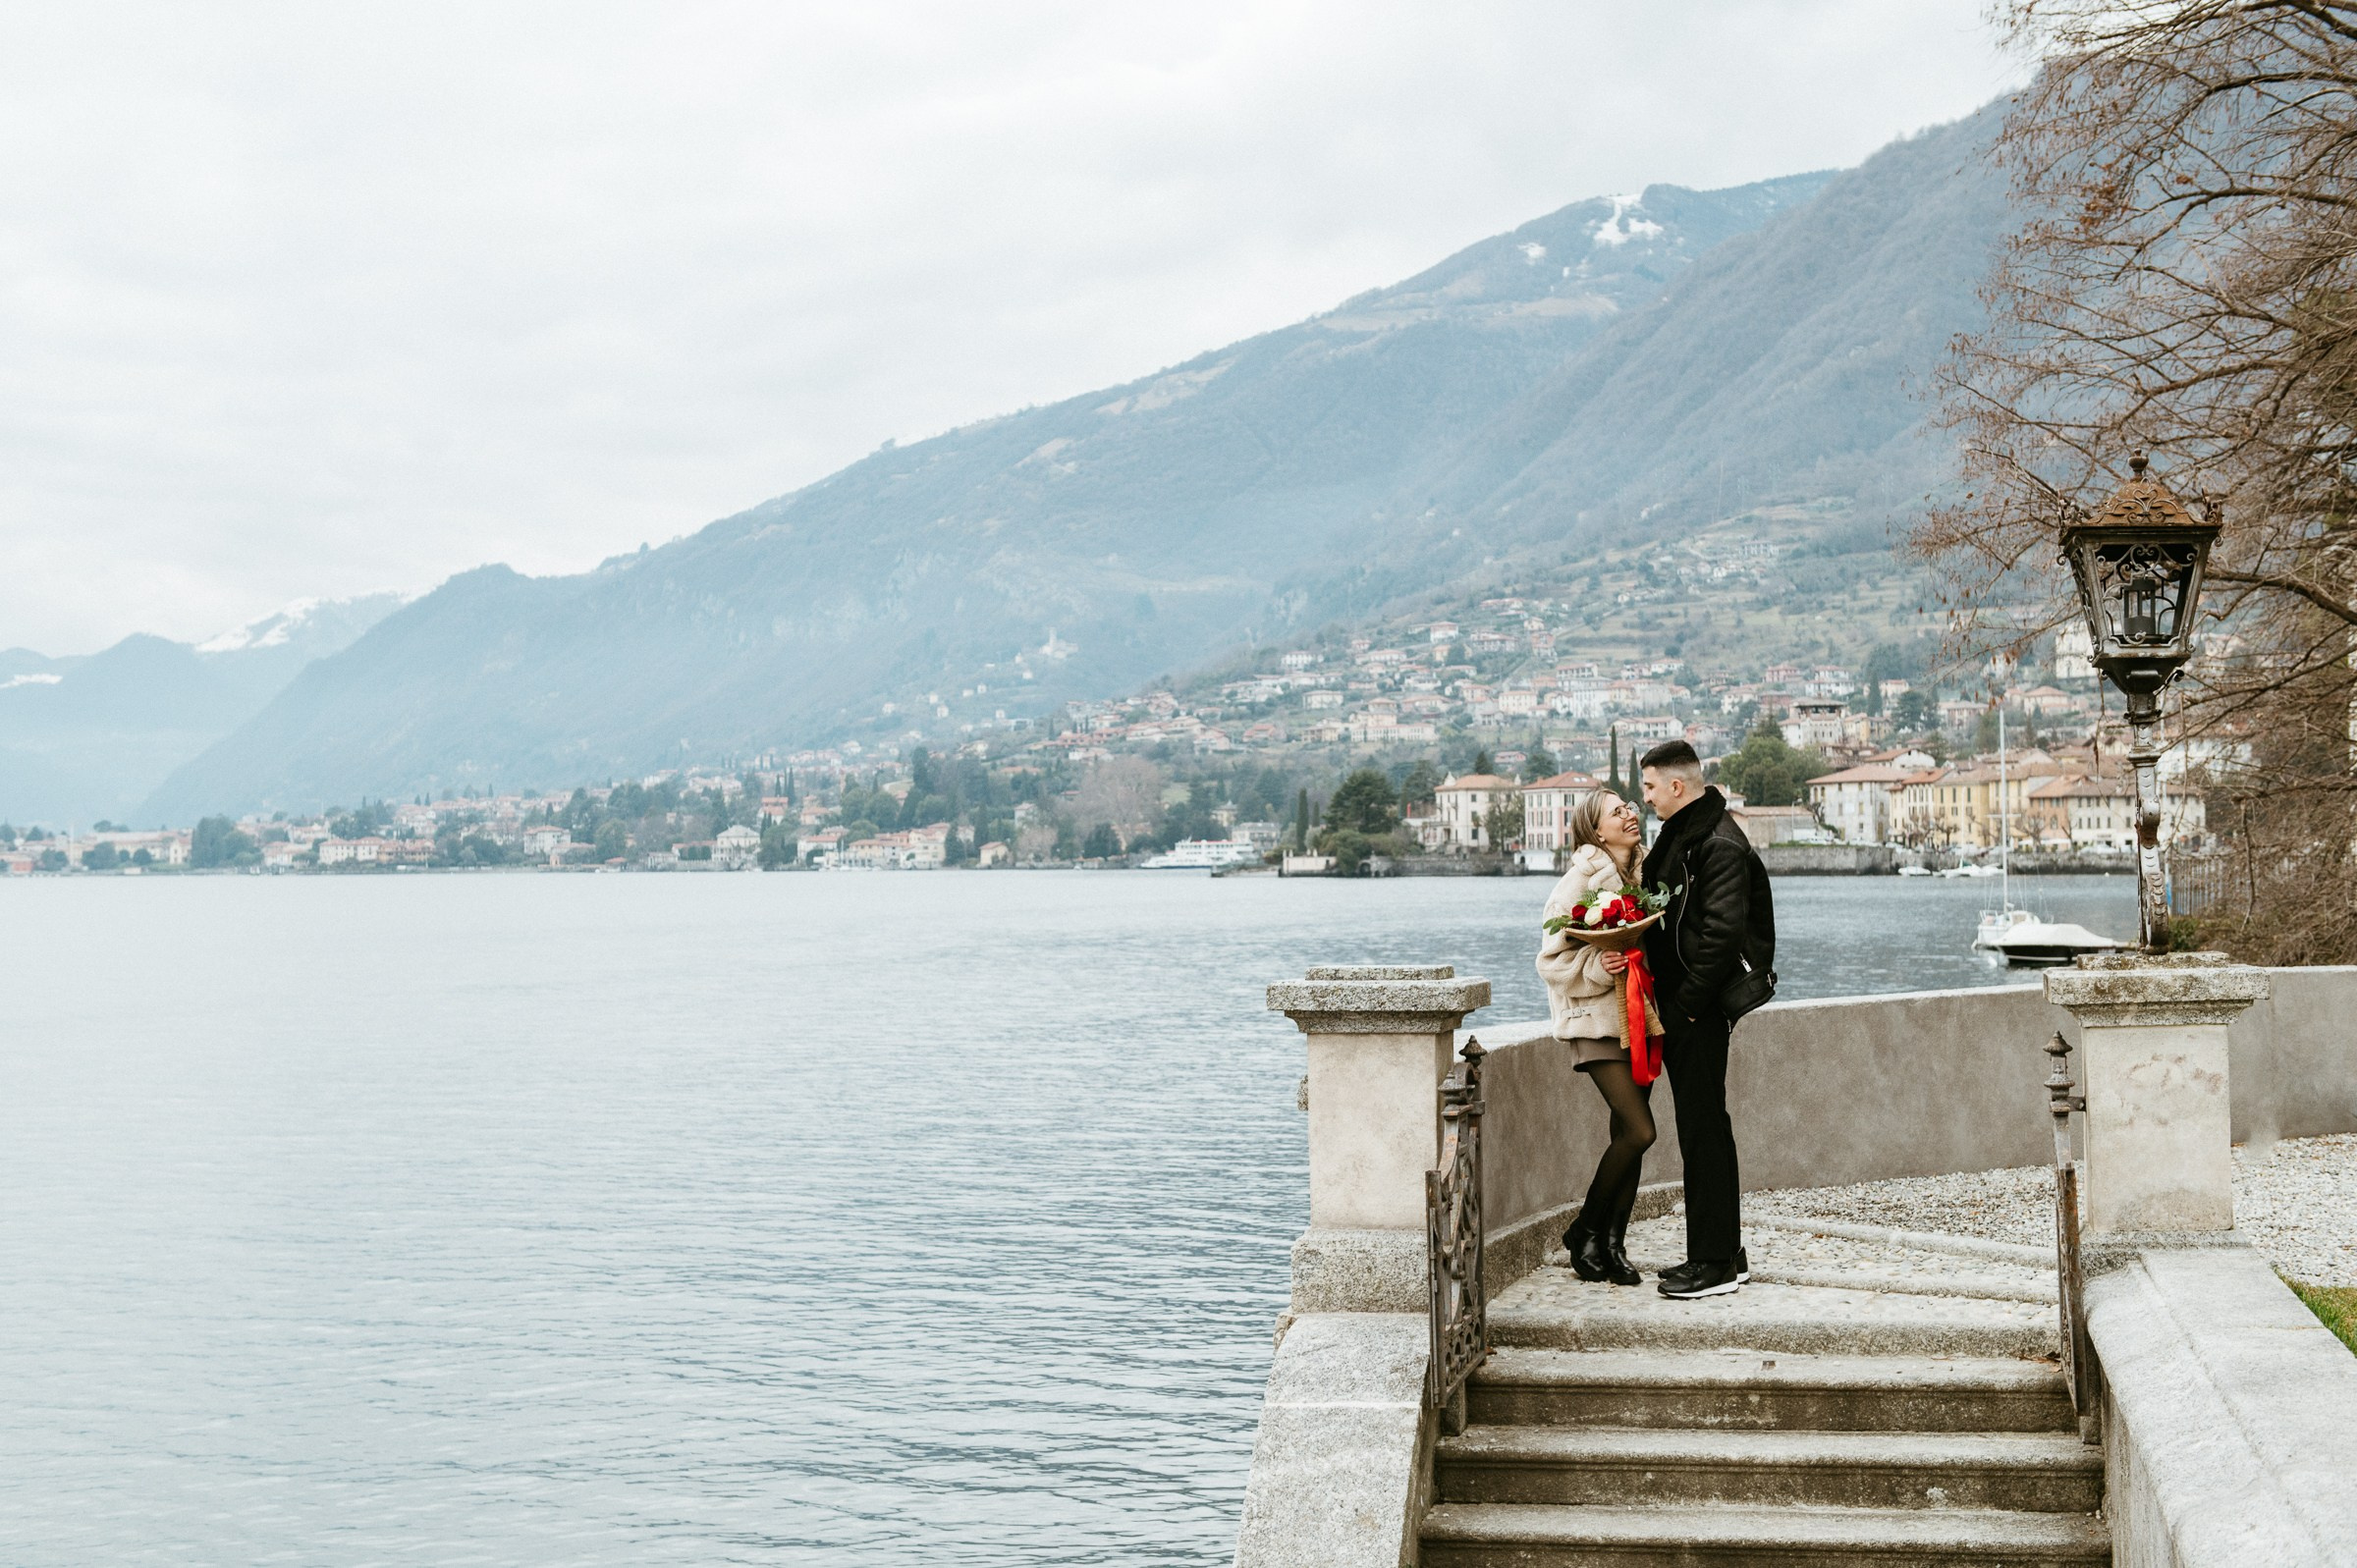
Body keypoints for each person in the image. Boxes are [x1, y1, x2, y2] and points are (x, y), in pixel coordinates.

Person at [1637, 739, 1776, 1300]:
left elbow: (1719, 938)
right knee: (1705, 1130)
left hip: (1696, 1011)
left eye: (1649, 786)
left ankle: (1714, 1264)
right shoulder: (1685, 835)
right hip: (1685, 1008)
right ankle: (1724, 1253)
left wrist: (1684, 1007)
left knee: (1703, 1133)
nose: (1644, 798)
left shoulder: (1718, 843)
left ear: (1677, 785)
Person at [1535, 789, 1664, 1286]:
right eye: (1617, 812)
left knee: (1625, 1138)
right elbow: (1552, 961)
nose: (1630, 814)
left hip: (1637, 1019)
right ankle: (1585, 1230)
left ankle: (1611, 1245)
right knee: (1640, 1130)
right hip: (1593, 1022)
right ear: (1595, 830)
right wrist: (1598, 963)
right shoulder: (1579, 881)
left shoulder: (1645, 876)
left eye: (1630, 807)